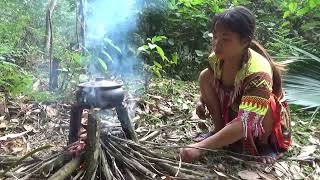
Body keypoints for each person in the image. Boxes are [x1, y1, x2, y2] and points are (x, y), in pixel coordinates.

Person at [180, 6, 292, 163]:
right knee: (205, 76)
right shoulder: (216, 59)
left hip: (258, 122)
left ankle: (265, 144)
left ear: (245, 41)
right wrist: (202, 100)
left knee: (266, 104)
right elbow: (212, 83)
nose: (217, 44)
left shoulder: (258, 74)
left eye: (225, 39)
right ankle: (219, 130)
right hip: (235, 108)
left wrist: (200, 147)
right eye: (215, 37)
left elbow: (246, 121)